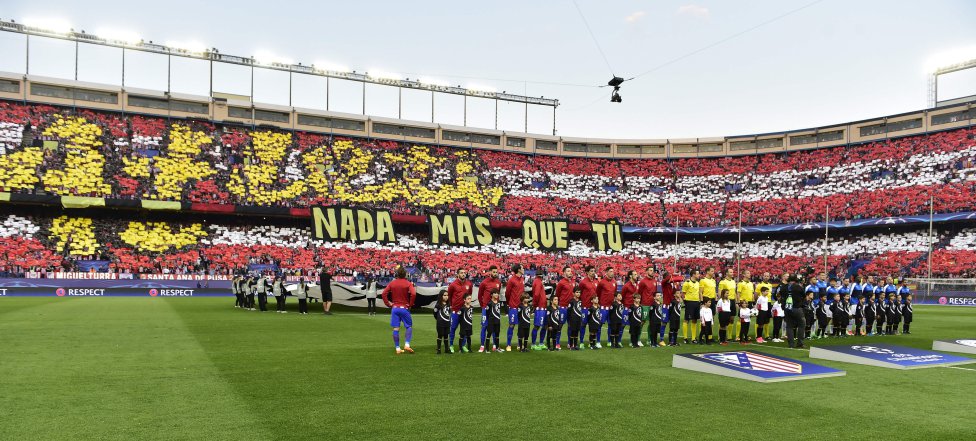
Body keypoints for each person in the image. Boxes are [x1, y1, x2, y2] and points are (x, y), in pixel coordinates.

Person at [382, 266, 417, 354]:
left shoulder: (392, 283)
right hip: (404, 308)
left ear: (397, 274)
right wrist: (411, 304)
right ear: (405, 274)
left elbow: (383, 293)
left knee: (396, 328)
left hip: (395, 308)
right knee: (408, 326)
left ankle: (397, 348)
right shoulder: (408, 283)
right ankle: (407, 345)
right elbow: (413, 294)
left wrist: (388, 303)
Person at [447, 268, 473, 352]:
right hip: (455, 311)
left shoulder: (469, 284)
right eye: (461, 273)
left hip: (465, 312)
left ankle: (463, 345)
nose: (463, 274)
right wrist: (452, 305)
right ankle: (451, 345)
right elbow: (449, 296)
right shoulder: (453, 285)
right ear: (458, 274)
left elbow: (469, 295)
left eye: (464, 272)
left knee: (464, 329)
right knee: (453, 328)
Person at [478, 265, 502, 353]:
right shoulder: (484, 282)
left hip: (495, 309)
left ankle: (494, 345)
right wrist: (483, 306)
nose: (495, 273)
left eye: (496, 272)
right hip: (485, 308)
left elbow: (497, 295)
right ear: (490, 272)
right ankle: (482, 345)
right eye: (494, 272)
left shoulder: (498, 283)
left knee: (495, 326)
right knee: (484, 326)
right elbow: (480, 295)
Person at [504, 265, 525, 352]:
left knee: (521, 326)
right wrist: (510, 303)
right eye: (522, 268)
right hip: (513, 306)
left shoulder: (522, 279)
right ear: (519, 270)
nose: (524, 269)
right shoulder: (512, 280)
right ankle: (508, 344)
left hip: (522, 307)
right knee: (512, 325)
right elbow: (507, 293)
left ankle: (519, 344)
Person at [554, 266, 576, 348]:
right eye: (568, 271)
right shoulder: (561, 282)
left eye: (570, 271)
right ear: (564, 273)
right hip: (562, 307)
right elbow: (557, 294)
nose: (570, 272)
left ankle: (570, 343)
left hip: (571, 308)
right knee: (560, 325)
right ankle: (557, 343)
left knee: (571, 325)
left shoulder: (573, 282)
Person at [783, 274, 807, 349]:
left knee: (789, 326)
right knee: (801, 324)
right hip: (797, 308)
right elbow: (804, 296)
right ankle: (800, 343)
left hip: (787, 308)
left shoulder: (784, 287)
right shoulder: (798, 287)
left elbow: (777, 295)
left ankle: (791, 344)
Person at [595, 267, 617, 348]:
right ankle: (597, 341)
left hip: (611, 307)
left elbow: (614, 294)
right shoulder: (602, 283)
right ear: (606, 272)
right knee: (599, 324)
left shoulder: (614, 282)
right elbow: (597, 293)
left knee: (611, 325)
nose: (612, 273)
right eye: (610, 271)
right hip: (603, 307)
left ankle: (609, 341)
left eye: (613, 271)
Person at [637, 267, 658, 345]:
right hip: (644, 305)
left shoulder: (655, 281)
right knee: (642, 322)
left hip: (653, 305)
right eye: (650, 270)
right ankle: (638, 340)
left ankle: (649, 339)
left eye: (653, 270)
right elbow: (639, 293)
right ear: (646, 272)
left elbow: (655, 294)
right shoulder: (643, 282)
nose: (652, 272)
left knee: (652, 323)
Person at [578, 266, 599, 346]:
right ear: (587, 272)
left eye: (594, 271)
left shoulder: (596, 282)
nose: (593, 272)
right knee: (583, 325)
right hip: (585, 307)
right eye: (591, 271)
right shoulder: (583, 282)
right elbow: (579, 293)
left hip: (593, 308)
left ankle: (592, 342)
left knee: (593, 325)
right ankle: (581, 342)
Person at [682, 269, 702, 344]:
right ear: (693, 274)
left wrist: (700, 301)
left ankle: (693, 338)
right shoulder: (687, 283)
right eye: (697, 274)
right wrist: (685, 302)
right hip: (689, 302)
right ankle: (685, 338)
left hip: (696, 302)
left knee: (695, 320)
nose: (699, 275)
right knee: (686, 319)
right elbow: (683, 293)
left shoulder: (698, 283)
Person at [531, 272, 548, 350]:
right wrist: (535, 304)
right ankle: (533, 344)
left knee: (544, 326)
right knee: (537, 326)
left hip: (543, 307)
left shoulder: (538, 281)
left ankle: (541, 343)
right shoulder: (537, 281)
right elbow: (536, 294)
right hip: (540, 307)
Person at [621, 270, 639, 346]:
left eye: (636, 274)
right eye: (635, 274)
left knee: (634, 325)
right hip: (627, 307)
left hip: (635, 308)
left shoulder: (637, 284)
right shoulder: (626, 285)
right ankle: (618, 341)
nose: (636, 275)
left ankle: (633, 341)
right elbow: (622, 296)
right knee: (623, 325)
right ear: (630, 276)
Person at [719, 270, 738, 340]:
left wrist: (736, 302)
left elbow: (735, 292)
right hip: (726, 301)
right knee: (724, 320)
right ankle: (721, 336)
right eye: (730, 272)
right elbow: (720, 292)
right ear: (726, 273)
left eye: (732, 272)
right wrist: (722, 301)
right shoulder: (722, 282)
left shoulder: (733, 281)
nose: (732, 273)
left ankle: (729, 336)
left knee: (732, 319)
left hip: (732, 301)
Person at [737, 270, 755, 341]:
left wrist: (753, 303)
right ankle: (738, 336)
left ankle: (745, 335)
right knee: (741, 319)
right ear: (744, 275)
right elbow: (738, 293)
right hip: (743, 303)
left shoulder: (751, 283)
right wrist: (738, 303)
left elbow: (752, 294)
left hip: (749, 303)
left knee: (747, 319)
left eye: (749, 273)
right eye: (747, 273)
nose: (749, 274)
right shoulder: (740, 283)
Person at [485, 289, 503, 353]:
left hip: (497, 321)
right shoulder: (489, 303)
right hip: (491, 321)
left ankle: (497, 347)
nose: (496, 294)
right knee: (489, 334)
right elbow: (487, 313)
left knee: (497, 334)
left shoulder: (499, 303)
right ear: (491, 295)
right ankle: (487, 349)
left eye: (497, 293)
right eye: (495, 293)